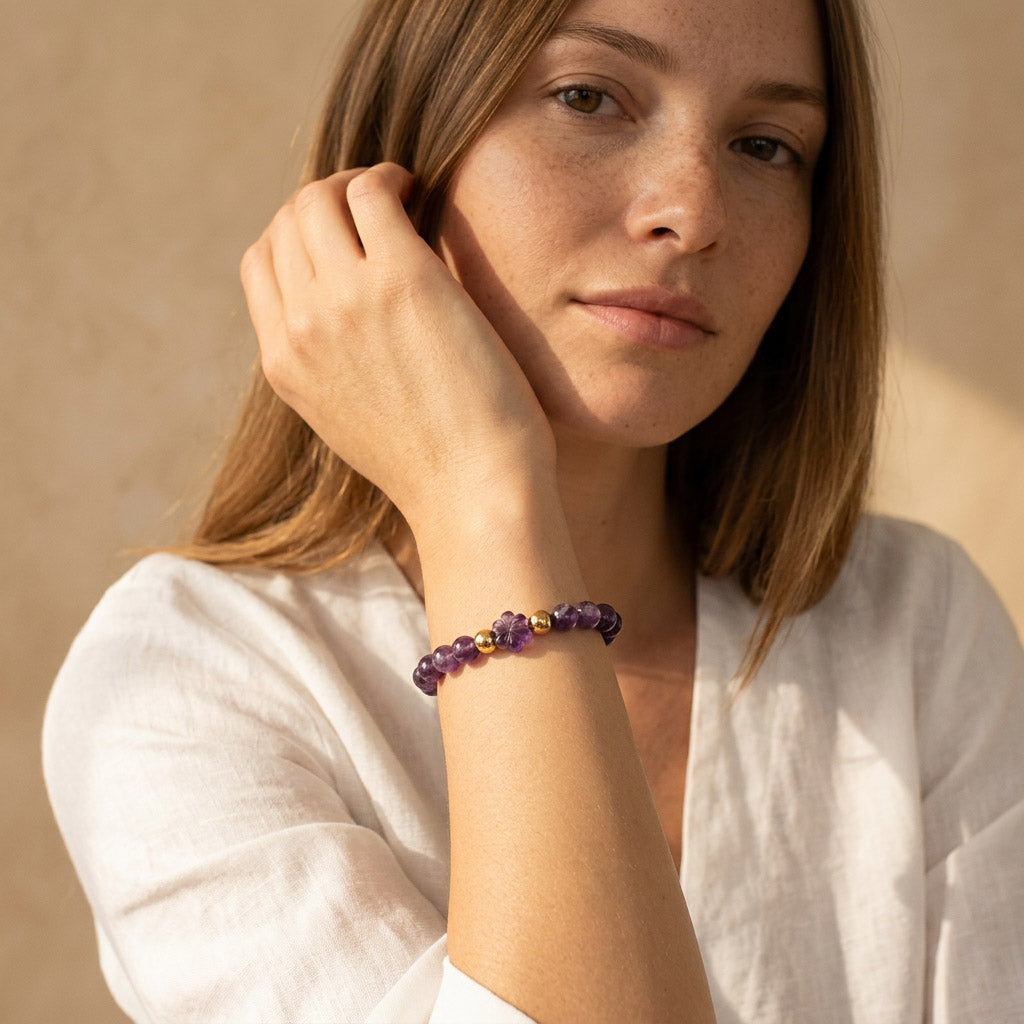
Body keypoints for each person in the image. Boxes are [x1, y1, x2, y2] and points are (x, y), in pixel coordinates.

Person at [43, 0, 1024, 1019]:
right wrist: (481, 494)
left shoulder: (918, 628)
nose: (692, 211)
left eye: (764, 145)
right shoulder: (187, 678)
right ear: (407, 157)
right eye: (587, 97)